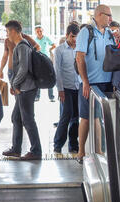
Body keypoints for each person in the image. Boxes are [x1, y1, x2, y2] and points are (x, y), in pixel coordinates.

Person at [75, 4, 115, 163]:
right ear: (98, 15)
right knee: (86, 118)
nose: (111, 19)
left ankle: (99, 152)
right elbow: (80, 57)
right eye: (108, 15)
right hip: (90, 83)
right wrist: (85, 81)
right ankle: (82, 152)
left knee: (99, 117)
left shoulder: (110, 33)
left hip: (106, 81)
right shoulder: (86, 32)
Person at [2, 20, 41, 160]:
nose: (7, 35)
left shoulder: (22, 46)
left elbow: (23, 69)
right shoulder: (21, 45)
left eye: (7, 32)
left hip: (26, 89)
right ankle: (16, 149)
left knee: (28, 120)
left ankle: (36, 151)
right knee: (16, 118)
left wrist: (14, 84)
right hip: (22, 88)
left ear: (13, 31)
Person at [53, 23, 80, 154]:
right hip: (66, 88)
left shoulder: (81, 49)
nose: (74, 39)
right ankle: (58, 143)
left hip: (78, 87)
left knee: (76, 117)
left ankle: (73, 145)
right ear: (67, 35)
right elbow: (57, 71)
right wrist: (60, 89)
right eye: (72, 36)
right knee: (66, 115)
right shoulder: (59, 50)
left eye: (77, 37)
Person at [34, 25, 56, 102]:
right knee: (38, 77)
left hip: (46, 60)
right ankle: (37, 96)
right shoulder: (34, 40)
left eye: (40, 31)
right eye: (37, 31)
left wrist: (50, 50)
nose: (39, 32)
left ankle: (51, 97)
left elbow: (54, 45)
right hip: (38, 61)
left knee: (49, 77)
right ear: (35, 32)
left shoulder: (46, 38)